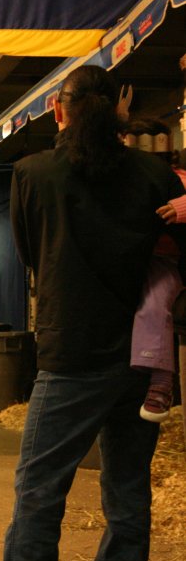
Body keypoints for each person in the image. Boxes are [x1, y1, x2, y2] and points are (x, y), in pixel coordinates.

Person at [5, 65, 186, 561]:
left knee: (40, 492)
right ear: (120, 112)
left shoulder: (32, 172)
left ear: (57, 110)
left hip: (73, 354)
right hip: (144, 355)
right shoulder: (157, 175)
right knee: (128, 490)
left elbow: (29, 254)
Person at [123, 117, 186, 422]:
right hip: (133, 259)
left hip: (166, 261)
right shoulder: (121, 179)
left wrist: (180, 208)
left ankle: (161, 382)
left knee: (154, 304)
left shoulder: (179, 178)